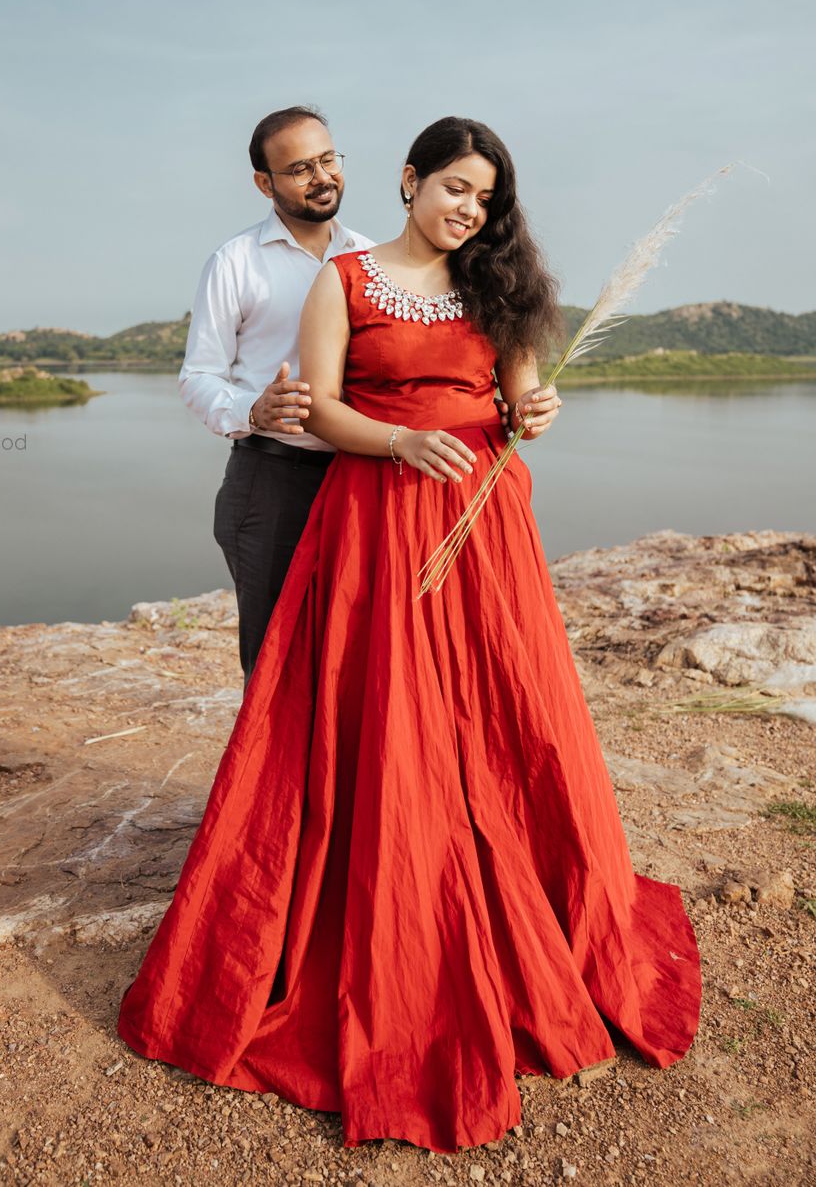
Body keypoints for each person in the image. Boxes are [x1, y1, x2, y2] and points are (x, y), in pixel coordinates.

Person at [118, 116, 702, 1154]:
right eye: (454, 187)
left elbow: (516, 399)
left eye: (485, 196)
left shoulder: (505, 289)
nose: (468, 208)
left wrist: (538, 408)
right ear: (409, 179)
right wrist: (398, 440)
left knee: (494, 706)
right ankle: (350, 895)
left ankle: (497, 880)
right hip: (375, 515)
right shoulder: (340, 280)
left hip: (483, 518)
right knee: (369, 710)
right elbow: (324, 409)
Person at [178, 104, 374, 686]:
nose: (322, 177)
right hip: (271, 483)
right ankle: (271, 782)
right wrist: (251, 409)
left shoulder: (369, 258)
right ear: (265, 183)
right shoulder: (234, 262)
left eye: (328, 159)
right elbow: (198, 375)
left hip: (359, 482)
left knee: (352, 662)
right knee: (275, 671)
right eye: (300, 169)